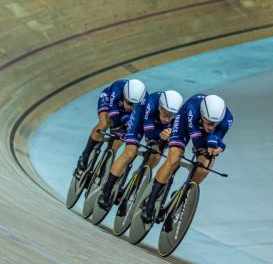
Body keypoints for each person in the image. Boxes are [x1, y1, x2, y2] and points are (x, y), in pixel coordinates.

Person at [141, 93, 233, 224]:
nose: (211, 127)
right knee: (173, 159)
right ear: (202, 115)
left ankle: (181, 196)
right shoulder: (192, 109)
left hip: (204, 132)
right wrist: (216, 144)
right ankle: (150, 201)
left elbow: (216, 140)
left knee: (204, 169)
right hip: (185, 123)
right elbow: (198, 142)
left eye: (215, 124)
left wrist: (218, 147)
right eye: (209, 123)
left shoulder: (227, 119)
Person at [97, 90, 183, 213]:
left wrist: (166, 137)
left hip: (160, 129)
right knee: (129, 153)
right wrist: (159, 135)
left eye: (171, 116)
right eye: (165, 114)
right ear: (160, 107)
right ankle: (106, 191)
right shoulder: (152, 103)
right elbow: (148, 133)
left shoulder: (177, 116)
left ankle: (135, 183)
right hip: (141, 119)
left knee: (155, 156)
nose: (167, 118)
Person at [76, 79, 147, 172]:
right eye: (129, 102)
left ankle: (106, 162)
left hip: (125, 113)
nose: (130, 106)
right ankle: (86, 153)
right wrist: (119, 128)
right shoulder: (117, 88)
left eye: (135, 105)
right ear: (124, 94)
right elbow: (113, 116)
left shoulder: (145, 100)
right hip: (109, 101)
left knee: (118, 142)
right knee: (105, 123)